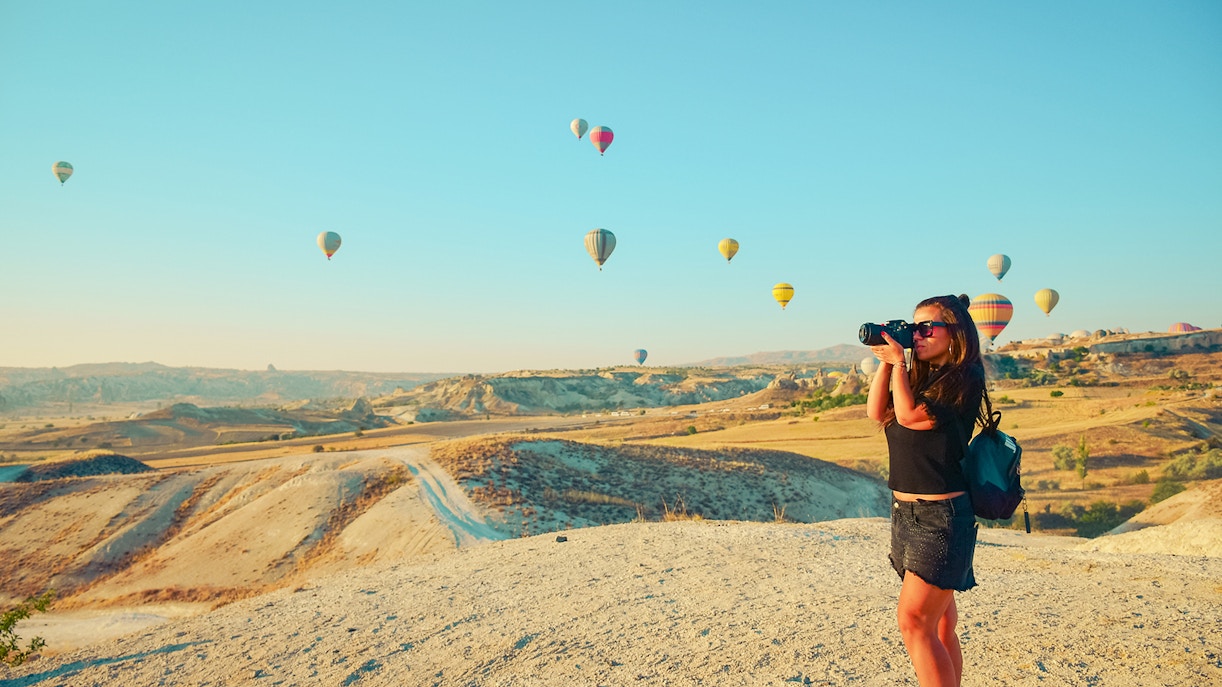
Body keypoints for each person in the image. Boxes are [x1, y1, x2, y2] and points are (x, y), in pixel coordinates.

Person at [866, 294, 989, 687]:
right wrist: (887, 364)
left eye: (926, 328)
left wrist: (901, 363)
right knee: (938, 626)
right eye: (913, 327)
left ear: (954, 335)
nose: (917, 335)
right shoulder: (920, 377)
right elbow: (876, 412)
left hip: (941, 520)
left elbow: (909, 416)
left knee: (914, 621)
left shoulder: (961, 378)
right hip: (906, 515)